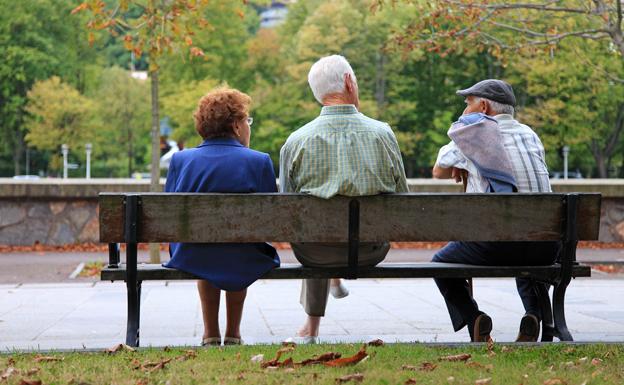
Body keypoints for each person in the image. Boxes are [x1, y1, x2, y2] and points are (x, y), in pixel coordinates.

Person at [279, 55, 409, 342]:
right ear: (350, 82)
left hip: (315, 253)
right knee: (325, 233)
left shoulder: (296, 141)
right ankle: (331, 286)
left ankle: (311, 326)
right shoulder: (383, 134)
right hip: (370, 251)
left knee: (315, 236)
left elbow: (287, 210)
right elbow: (403, 200)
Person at [432, 79, 557, 342]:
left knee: (440, 263)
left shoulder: (474, 133)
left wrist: (462, 137)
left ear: (484, 106)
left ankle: (474, 317)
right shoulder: (530, 135)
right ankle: (533, 314)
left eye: (468, 104)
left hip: (497, 245)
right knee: (525, 239)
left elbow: (438, 172)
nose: (465, 109)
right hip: (546, 246)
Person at [164, 86, 280, 346]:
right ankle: (234, 333)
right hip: (244, 254)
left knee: (206, 249)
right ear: (237, 126)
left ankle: (210, 333)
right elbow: (270, 222)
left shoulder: (181, 161)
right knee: (239, 247)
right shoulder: (259, 161)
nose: (249, 126)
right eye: (247, 120)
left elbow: (170, 218)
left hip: (192, 253)